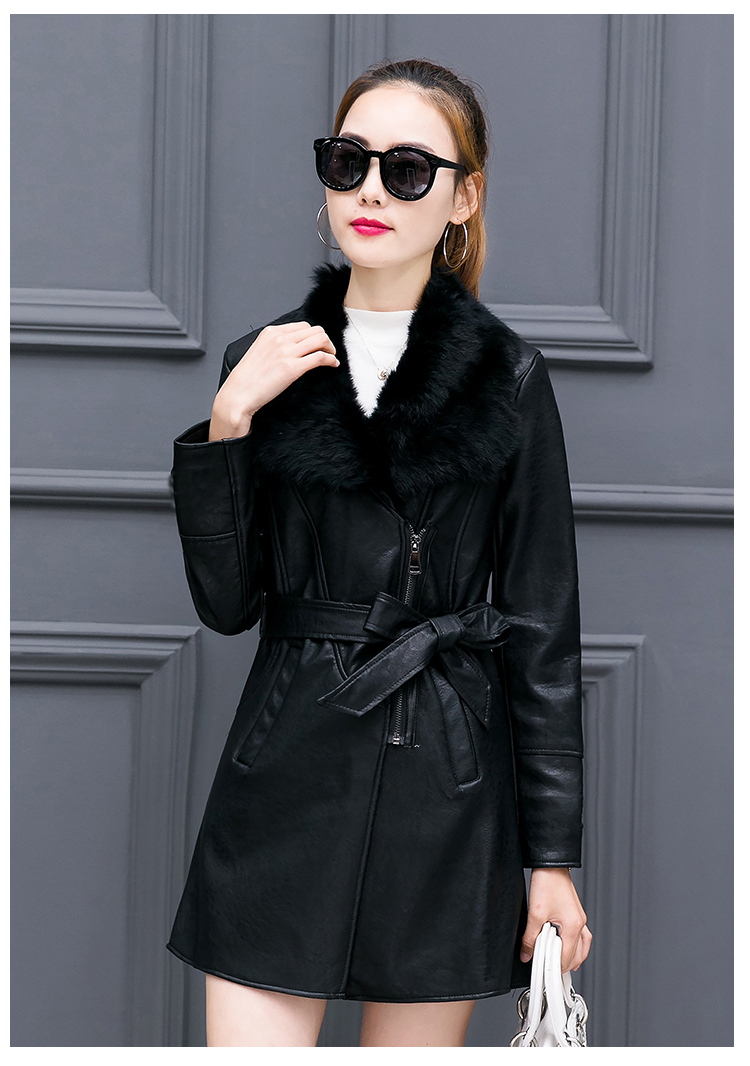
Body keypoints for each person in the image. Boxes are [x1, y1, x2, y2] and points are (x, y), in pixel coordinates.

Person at [166, 57, 592, 1048]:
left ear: (462, 197)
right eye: (347, 161)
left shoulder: (510, 378)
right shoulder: (261, 362)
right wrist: (229, 421)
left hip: (447, 787)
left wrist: (552, 859)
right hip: (285, 772)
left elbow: (544, 634)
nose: (370, 189)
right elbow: (227, 604)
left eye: (406, 169)